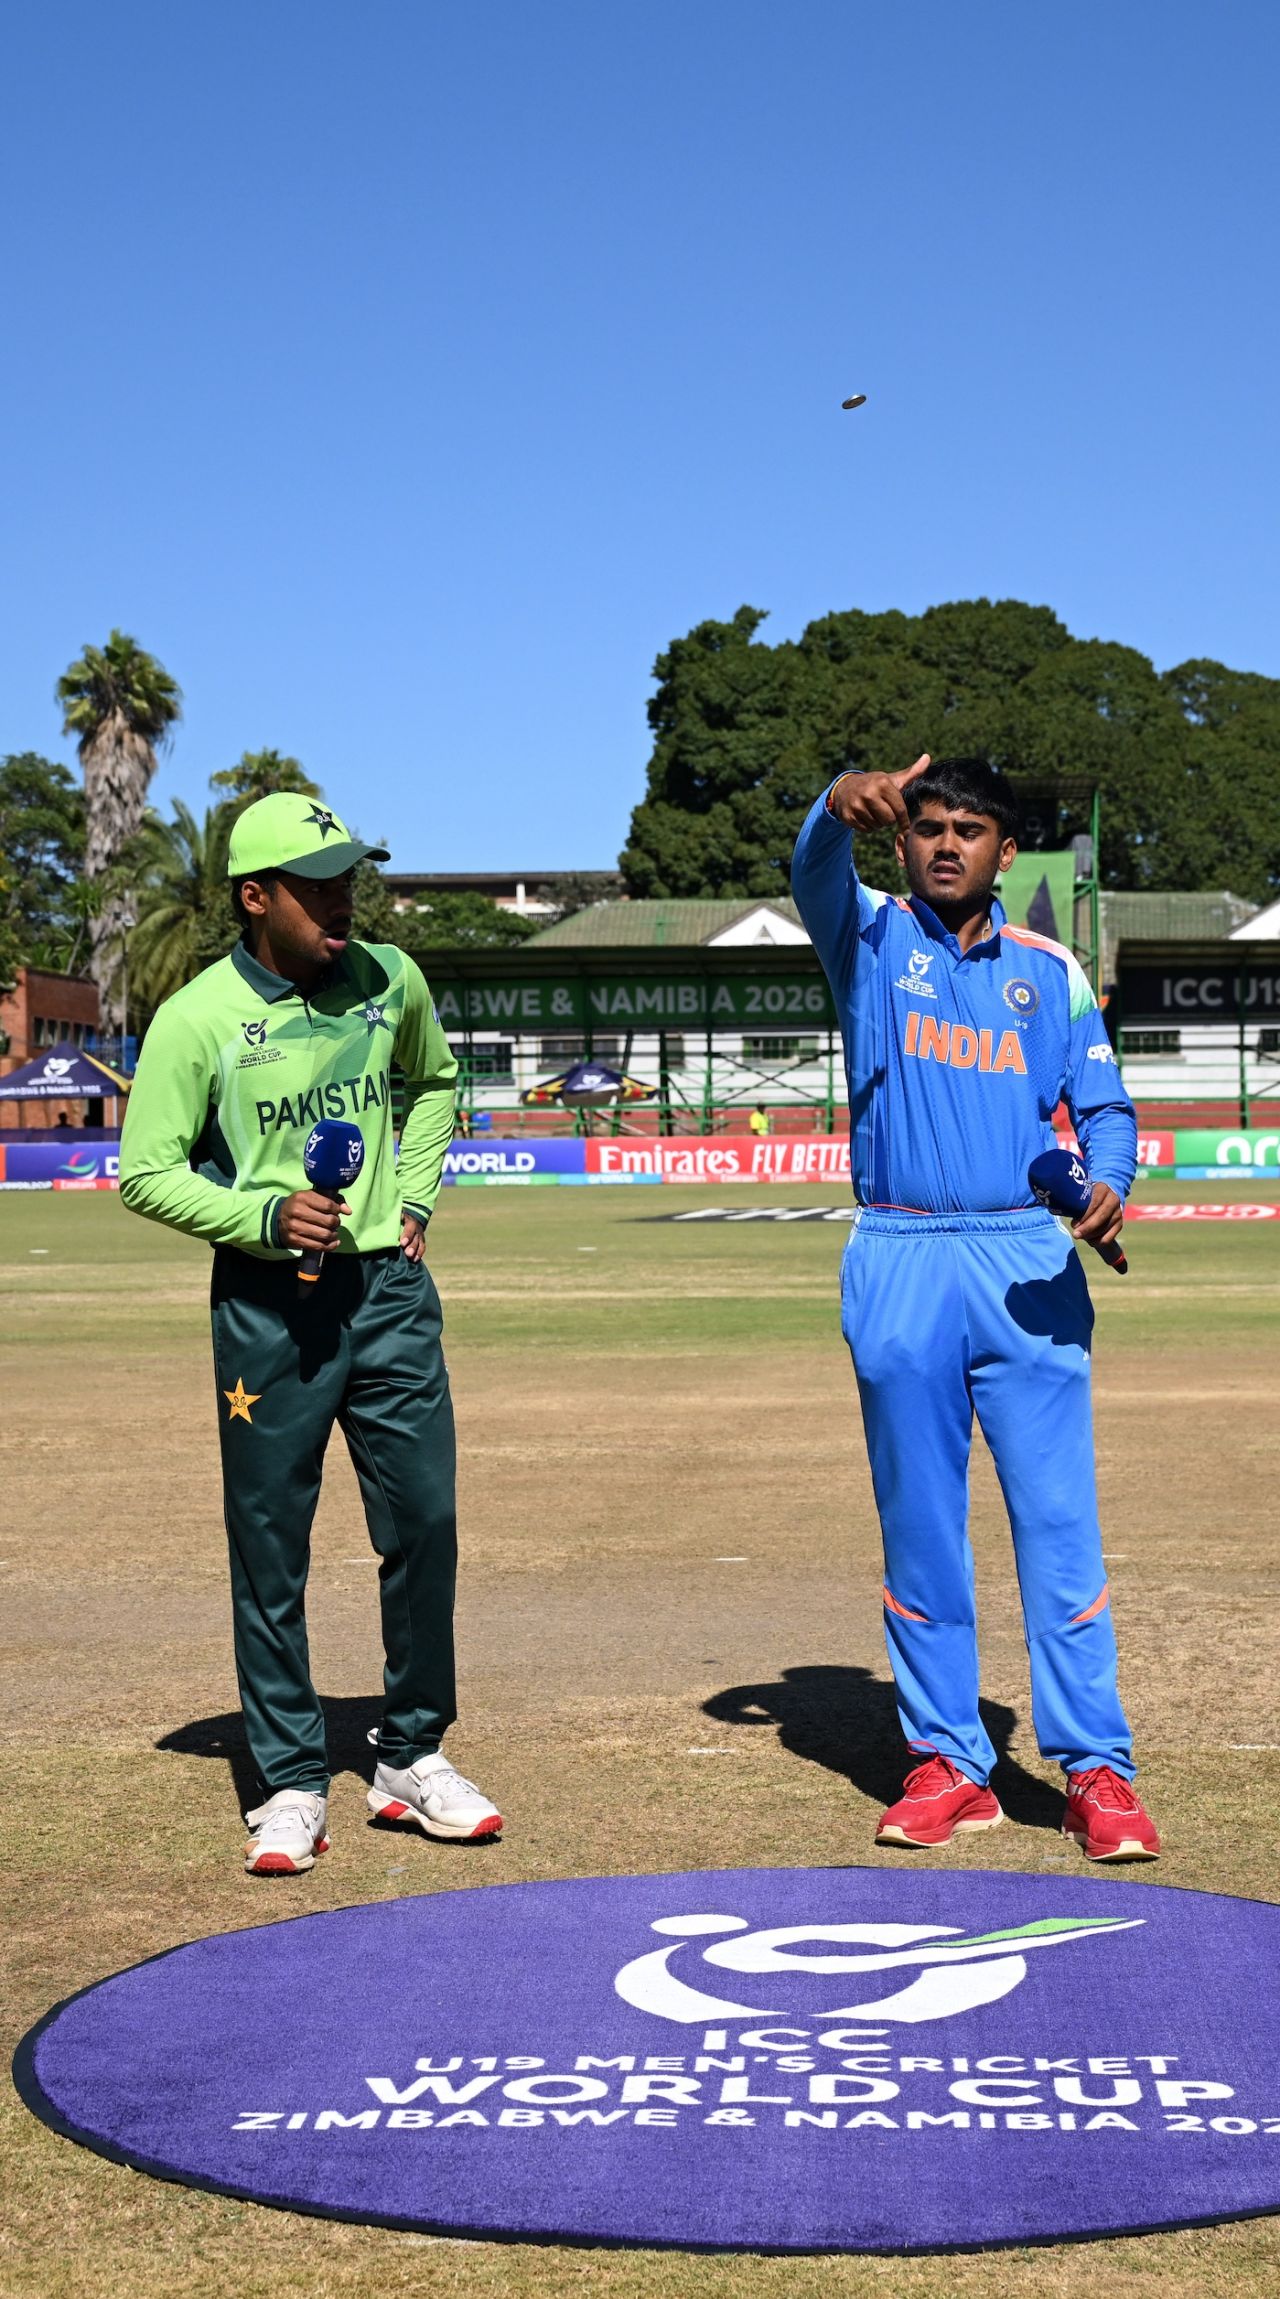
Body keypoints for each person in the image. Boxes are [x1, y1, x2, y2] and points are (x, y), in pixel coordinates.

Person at [119, 792, 502, 1875]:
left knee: (425, 1520)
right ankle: (290, 1778)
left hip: (386, 1294)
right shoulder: (195, 1017)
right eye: (319, 883)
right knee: (270, 1547)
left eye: (349, 878)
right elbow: (145, 1173)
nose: (345, 900)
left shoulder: (392, 979)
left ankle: (410, 1753)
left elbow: (433, 1082)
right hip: (266, 1307)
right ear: (256, 897)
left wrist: (415, 1198)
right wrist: (259, 1214)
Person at [791, 755, 1159, 1863]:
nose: (945, 842)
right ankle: (949, 1762)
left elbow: (1102, 1105)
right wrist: (830, 808)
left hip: (1022, 1261)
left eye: (970, 829)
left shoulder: (1050, 973)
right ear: (899, 842)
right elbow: (812, 867)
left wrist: (1105, 1186)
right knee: (920, 1535)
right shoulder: (862, 938)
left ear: (1005, 852)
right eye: (927, 826)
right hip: (897, 1250)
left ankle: (1095, 1770)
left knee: (1056, 1530)